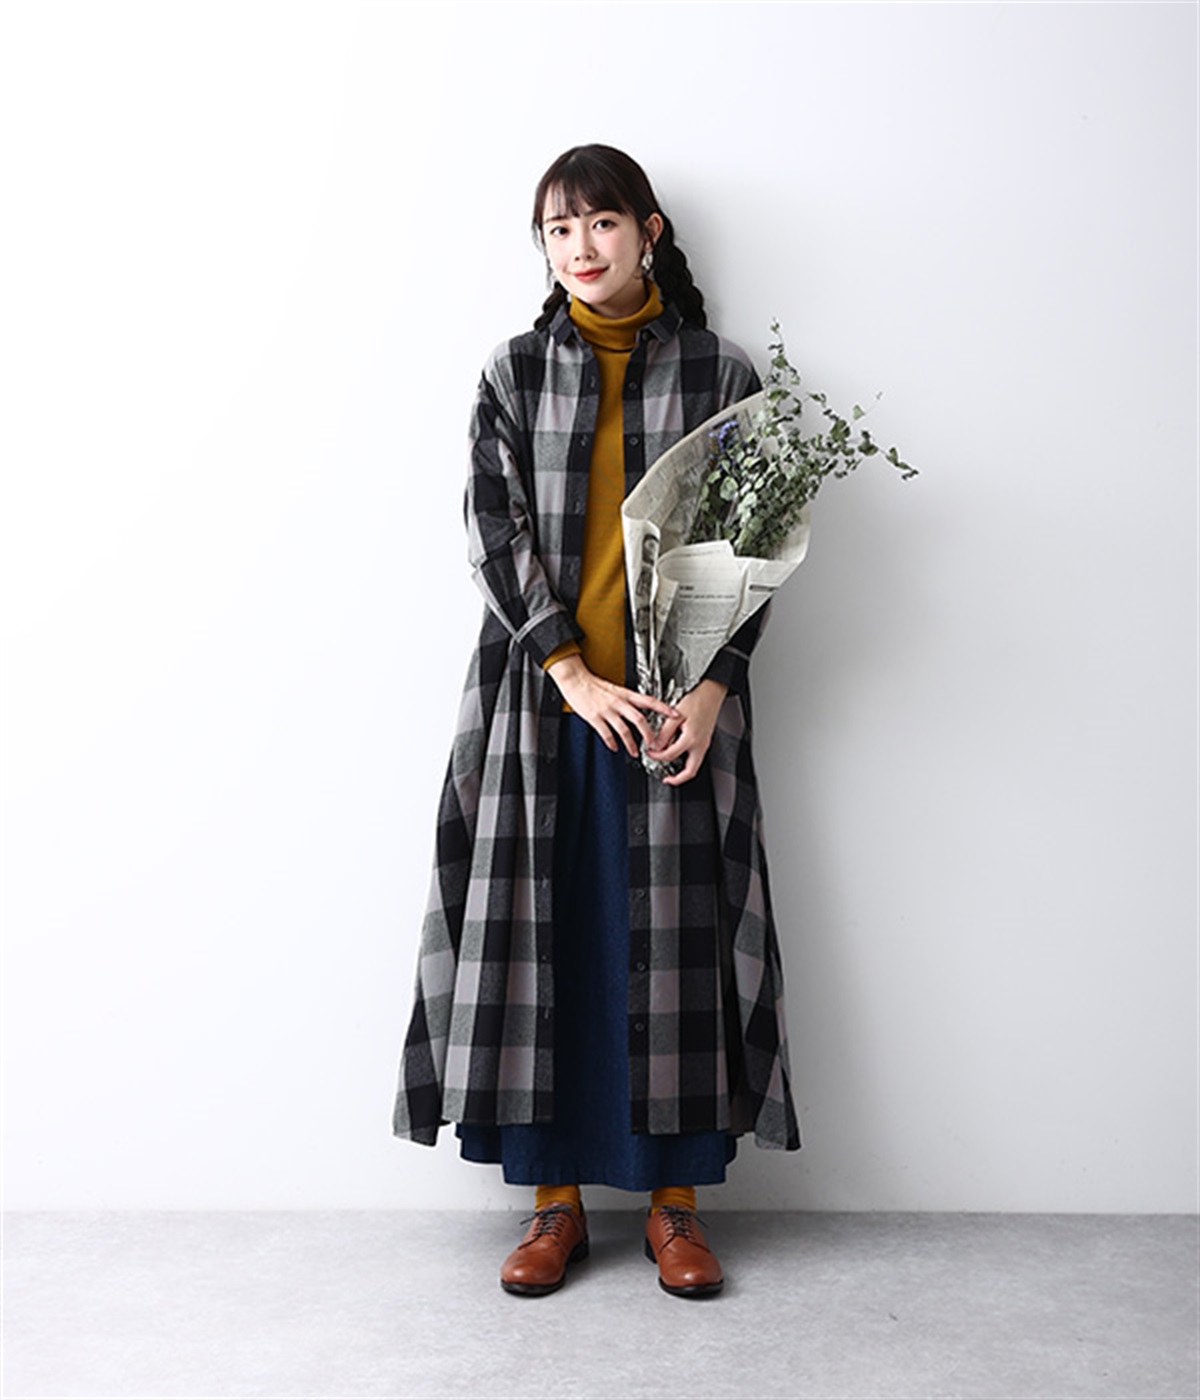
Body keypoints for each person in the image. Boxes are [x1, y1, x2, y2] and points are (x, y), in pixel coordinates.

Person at [393, 144, 800, 1298]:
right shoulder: (515, 372)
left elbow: (757, 538)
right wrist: (568, 671)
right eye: (559, 230)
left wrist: (713, 687)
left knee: (678, 946)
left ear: (649, 231)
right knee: (543, 941)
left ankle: (676, 1208)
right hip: (545, 703)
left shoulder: (721, 375)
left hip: (675, 705)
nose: (580, 246)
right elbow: (494, 531)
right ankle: (553, 1204)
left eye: (601, 222)